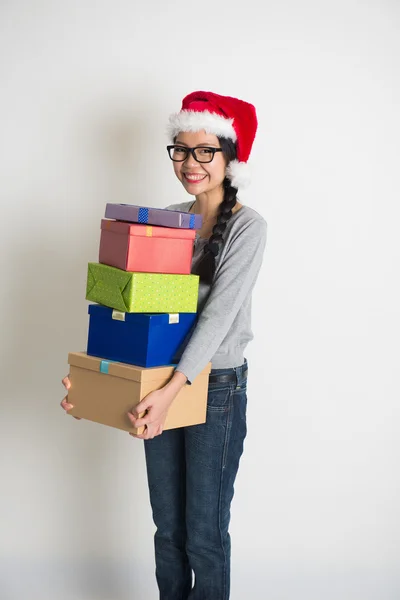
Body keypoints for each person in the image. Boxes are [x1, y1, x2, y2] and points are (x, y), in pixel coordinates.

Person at [61, 90, 267, 600]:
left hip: (212, 387)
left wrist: (172, 389)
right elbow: (136, 314)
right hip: (158, 383)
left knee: (203, 535)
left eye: (205, 152)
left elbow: (218, 318)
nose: (190, 163)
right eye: (180, 150)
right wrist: (92, 384)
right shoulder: (166, 220)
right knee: (168, 530)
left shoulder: (248, 227)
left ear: (229, 158)